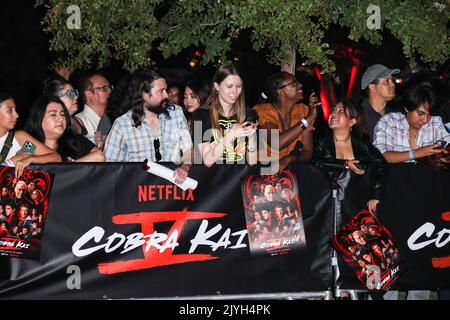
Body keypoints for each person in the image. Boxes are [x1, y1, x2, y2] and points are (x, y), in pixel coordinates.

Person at [104, 68, 192, 184]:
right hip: (139, 193)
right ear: (144, 94)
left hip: (171, 192)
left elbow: (188, 149)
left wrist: (185, 166)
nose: (166, 95)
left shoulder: (176, 113)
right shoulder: (122, 124)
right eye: (161, 91)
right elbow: (110, 167)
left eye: (166, 89)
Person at [313, 99, 387, 214]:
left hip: (356, 207)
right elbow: (315, 162)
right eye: (333, 110)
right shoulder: (320, 142)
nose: (333, 114)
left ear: (352, 121)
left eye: (340, 111)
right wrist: (345, 164)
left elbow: (382, 168)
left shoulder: (364, 146)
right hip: (325, 208)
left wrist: (376, 196)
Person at [253, 71, 320, 171]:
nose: (300, 85)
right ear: (280, 91)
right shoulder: (264, 111)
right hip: (264, 171)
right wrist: (309, 118)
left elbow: (307, 151)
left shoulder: (302, 111)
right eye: (294, 83)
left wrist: (290, 159)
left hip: (291, 172)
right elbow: (277, 143)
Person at [193, 64, 258, 166]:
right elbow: (207, 161)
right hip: (213, 180)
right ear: (217, 86)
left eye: (238, 86)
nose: (235, 91)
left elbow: (252, 162)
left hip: (239, 178)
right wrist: (232, 134)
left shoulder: (249, 114)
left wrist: (251, 136)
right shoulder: (200, 115)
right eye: (229, 86)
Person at [373, 85, 450, 163]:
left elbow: (447, 144)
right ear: (407, 108)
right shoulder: (390, 121)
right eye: (420, 114)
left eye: (429, 115)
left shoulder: (435, 122)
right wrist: (417, 153)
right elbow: (382, 155)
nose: (425, 120)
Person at [25, 96, 105, 162]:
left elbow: (99, 157)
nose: (61, 119)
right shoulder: (31, 143)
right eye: (53, 114)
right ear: (39, 118)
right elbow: (21, 158)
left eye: (63, 114)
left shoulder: (73, 140)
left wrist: (68, 168)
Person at [0, 93, 61, 177]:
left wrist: (30, 159)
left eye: (15, 110)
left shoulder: (19, 138)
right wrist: (13, 161)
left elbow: (56, 157)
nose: (16, 115)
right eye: (9, 110)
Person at [360, 64, 400, 140]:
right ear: (372, 87)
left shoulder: (394, 116)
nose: (393, 84)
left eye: (392, 80)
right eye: (387, 81)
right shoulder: (358, 115)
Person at [76, 73, 113, 149]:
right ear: (88, 94)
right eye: (104, 88)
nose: (109, 91)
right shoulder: (79, 123)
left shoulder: (114, 118)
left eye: (110, 87)